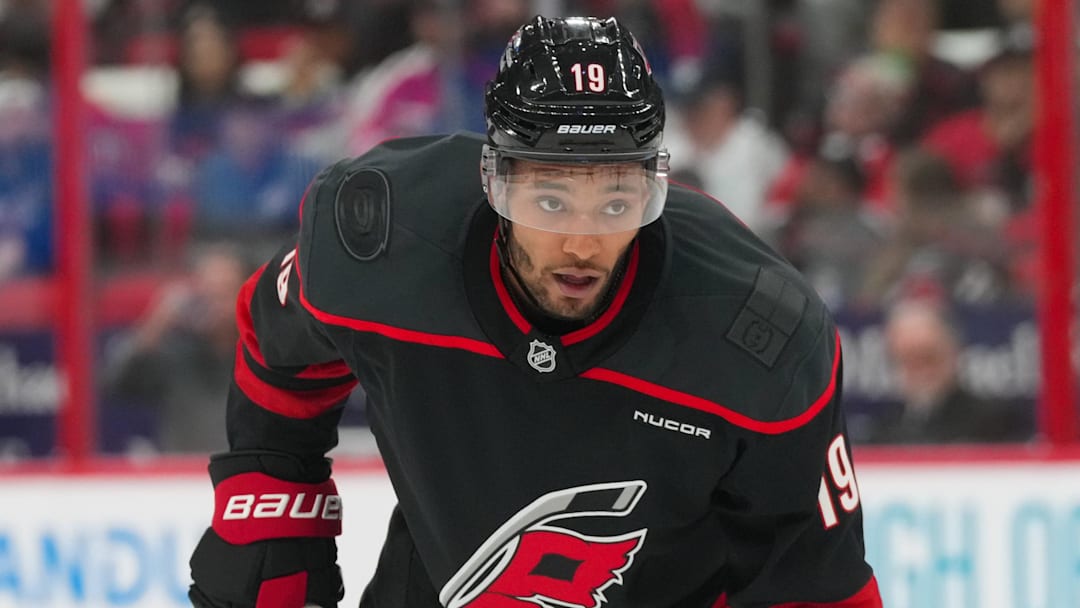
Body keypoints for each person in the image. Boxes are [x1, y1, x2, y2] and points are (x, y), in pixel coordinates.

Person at [187, 16, 881, 608]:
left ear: (653, 188)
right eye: (550, 201)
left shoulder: (758, 333)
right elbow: (276, 342)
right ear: (495, 181)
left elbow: (818, 586)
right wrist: (270, 513)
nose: (582, 243)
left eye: (615, 202)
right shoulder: (385, 239)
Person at [103, 243, 251, 453]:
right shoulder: (174, 354)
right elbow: (114, 383)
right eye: (207, 292)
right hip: (184, 480)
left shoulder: (268, 354)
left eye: (224, 292)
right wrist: (155, 324)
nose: (214, 304)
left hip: (251, 479)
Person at [870, 298, 1033, 443]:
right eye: (909, 360)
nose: (921, 370)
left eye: (928, 357)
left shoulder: (994, 423)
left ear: (953, 352)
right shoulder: (884, 431)